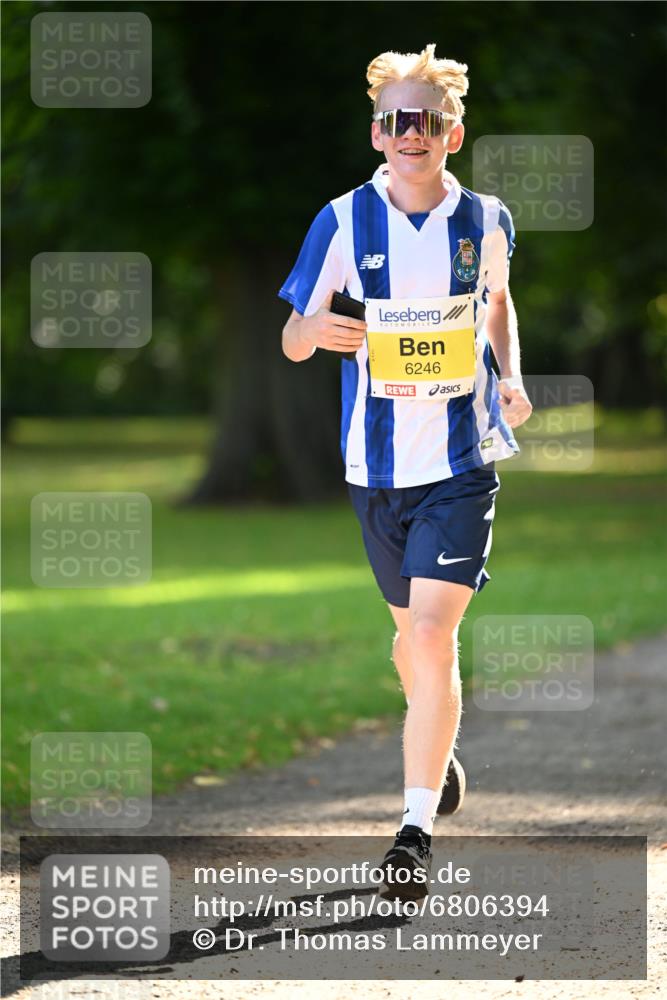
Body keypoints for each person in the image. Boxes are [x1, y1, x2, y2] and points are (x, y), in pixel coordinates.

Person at [278, 43, 532, 901]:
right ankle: (439, 747)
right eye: (395, 120)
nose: (409, 132)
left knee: (429, 636)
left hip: (461, 465)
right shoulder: (344, 221)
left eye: (426, 119)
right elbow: (291, 333)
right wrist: (318, 335)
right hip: (374, 471)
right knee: (409, 642)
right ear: (377, 134)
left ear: (451, 134)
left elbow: (495, 304)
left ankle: (412, 830)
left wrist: (510, 376)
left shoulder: (486, 220)